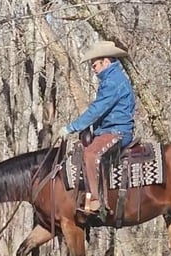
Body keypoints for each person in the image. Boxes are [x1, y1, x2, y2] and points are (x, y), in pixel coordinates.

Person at [58, 40, 135, 214]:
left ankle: (96, 201)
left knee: (91, 154)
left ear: (106, 62)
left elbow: (97, 110)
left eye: (95, 65)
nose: (93, 69)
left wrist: (71, 127)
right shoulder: (111, 80)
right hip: (108, 130)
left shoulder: (113, 82)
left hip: (117, 132)